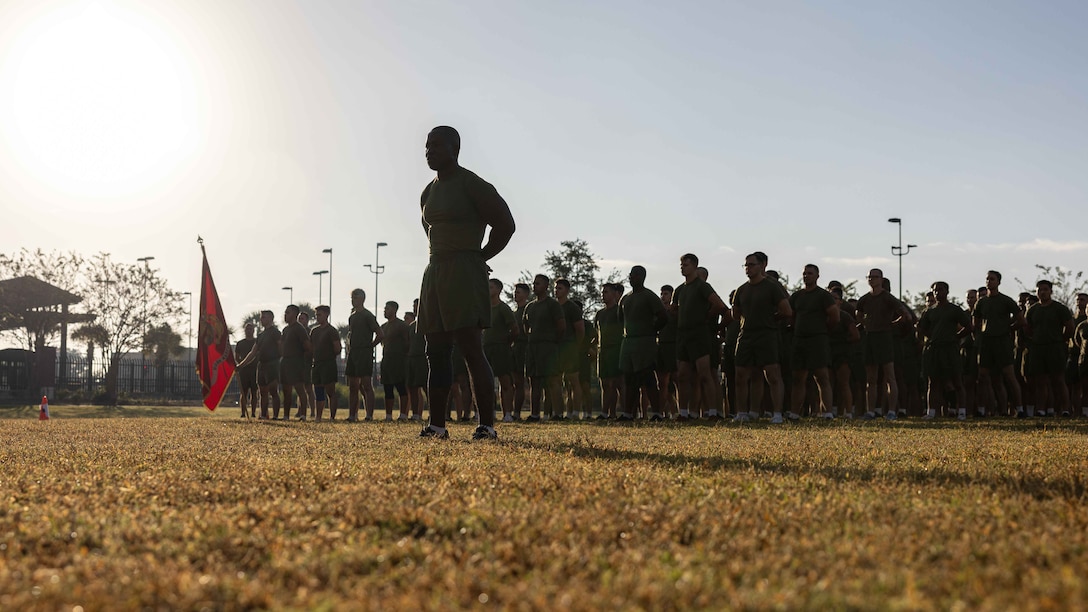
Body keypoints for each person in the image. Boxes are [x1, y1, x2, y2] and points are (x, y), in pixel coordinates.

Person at [417, 125, 516, 440]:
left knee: (471, 348)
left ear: (454, 149)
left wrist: (479, 256)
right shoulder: (428, 192)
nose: (429, 151)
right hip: (435, 272)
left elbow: (506, 224)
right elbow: (430, 232)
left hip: (464, 271)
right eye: (427, 146)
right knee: (436, 350)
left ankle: (486, 425)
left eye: (436, 146)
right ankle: (437, 426)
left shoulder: (473, 184)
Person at [732, 251, 791, 423]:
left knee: (772, 374)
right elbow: (736, 314)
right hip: (746, 335)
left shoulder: (772, 287)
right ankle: (743, 413)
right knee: (741, 374)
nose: (748, 268)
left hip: (767, 334)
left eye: (752, 264)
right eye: (746, 265)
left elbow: (786, 310)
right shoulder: (741, 290)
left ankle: (777, 413)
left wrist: (770, 319)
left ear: (762, 265)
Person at [673, 253, 727, 421]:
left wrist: (705, 316)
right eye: (681, 264)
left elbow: (719, 305)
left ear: (695, 266)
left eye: (686, 265)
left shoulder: (702, 286)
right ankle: (683, 412)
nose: (683, 267)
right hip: (683, 335)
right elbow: (674, 309)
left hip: (699, 334)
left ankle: (712, 412)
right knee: (682, 375)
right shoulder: (680, 289)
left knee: (704, 374)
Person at [855, 269, 912, 420]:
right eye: (869, 277)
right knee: (871, 378)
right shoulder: (865, 299)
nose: (872, 279)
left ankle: (892, 411)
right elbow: (858, 313)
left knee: (890, 376)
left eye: (875, 277)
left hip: (885, 338)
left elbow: (905, 314)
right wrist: (865, 323)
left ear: (881, 279)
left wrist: (892, 325)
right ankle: (871, 411)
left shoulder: (888, 297)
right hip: (870, 338)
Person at [788, 264, 838, 419]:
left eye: (810, 273)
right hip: (800, 340)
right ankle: (795, 413)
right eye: (804, 273)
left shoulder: (823, 295)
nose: (806, 276)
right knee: (798, 377)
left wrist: (821, 330)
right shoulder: (796, 296)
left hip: (818, 339)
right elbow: (791, 315)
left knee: (821, 376)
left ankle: (827, 412)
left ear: (817, 276)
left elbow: (834, 317)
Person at [973, 271, 1026, 417]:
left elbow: (1021, 320)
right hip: (986, 343)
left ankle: (1019, 409)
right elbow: (975, 323)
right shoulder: (981, 302)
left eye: (992, 279)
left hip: (1002, 342)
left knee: (1009, 375)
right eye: (987, 279)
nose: (989, 281)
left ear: (998, 282)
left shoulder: (1006, 301)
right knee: (983, 376)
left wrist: (1007, 328)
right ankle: (981, 410)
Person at [619, 266, 667, 421]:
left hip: (645, 341)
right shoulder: (625, 298)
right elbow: (621, 320)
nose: (631, 277)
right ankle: (627, 413)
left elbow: (663, 317)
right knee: (629, 378)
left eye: (635, 275)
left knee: (647, 377)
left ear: (642, 276)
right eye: (630, 275)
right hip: (628, 341)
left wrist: (651, 331)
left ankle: (657, 413)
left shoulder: (649, 296)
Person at [918, 282, 972, 420]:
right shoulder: (929, 311)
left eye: (940, 290)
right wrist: (932, 337)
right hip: (934, 349)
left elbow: (968, 326)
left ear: (947, 291)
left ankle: (961, 412)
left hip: (950, 349)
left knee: (956, 380)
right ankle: (931, 412)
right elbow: (921, 327)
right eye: (935, 291)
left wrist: (956, 337)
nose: (937, 293)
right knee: (933, 382)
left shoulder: (954, 310)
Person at [1023, 280, 1074, 418]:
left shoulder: (1059, 308)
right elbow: (1027, 328)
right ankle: (1041, 409)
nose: (1042, 292)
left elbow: (1070, 327)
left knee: (1058, 379)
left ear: (1051, 291)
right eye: (1039, 290)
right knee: (1040, 380)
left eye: (1045, 289)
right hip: (1038, 348)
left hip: (1055, 347)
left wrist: (1061, 339)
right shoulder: (1032, 310)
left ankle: (1065, 409)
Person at [523, 274, 566, 421]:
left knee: (553, 380)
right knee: (534, 381)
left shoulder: (552, 304)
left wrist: (553, 342)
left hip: (548, 347)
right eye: (534, 283)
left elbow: (561, 326)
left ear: (546, 286)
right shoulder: (530, 306)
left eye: (538, 284)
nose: (535, 286)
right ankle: (535, 414)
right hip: (533, 347)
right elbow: (525, 326)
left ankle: (558, 414)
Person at [484, 279, 519, 422]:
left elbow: (515, 329)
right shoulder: (484, 307)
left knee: (505, 381)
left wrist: (506, 343)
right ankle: (488, 412)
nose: (488, 289)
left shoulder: (503, 308)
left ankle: (507, 413)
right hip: (486, 348)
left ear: (498, 290)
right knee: (486, 382)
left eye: (491, 287)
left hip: (500, 348)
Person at [236, 310, 281, 420]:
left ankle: (275, 415)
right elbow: (253, 352)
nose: (261, 319)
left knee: (274, 391)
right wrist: (241, 365)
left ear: (271, 318)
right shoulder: (260, 335)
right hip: (262, 365)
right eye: (261, 317)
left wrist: (280, 361)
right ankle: (263, 415)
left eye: (264, 317)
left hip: (272, 364)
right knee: (262, 392)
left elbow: (281, 347)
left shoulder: (275, 332)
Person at [346, 289, 383, 422]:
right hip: (353, 353)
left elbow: (380, 334)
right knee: (353, 386)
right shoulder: (352, 316)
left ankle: (369, 415)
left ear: (362, 298)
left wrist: (370, 347)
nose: (353, 300)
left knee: (367, 384)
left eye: (356, 297)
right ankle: (352, 415)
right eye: (352, 297)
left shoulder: (368, 316)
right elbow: (350, 335)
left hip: (364, 353)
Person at [554, 279, 586, 420]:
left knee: (573, 381)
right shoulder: (553, 306)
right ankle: (558, 413)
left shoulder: (572, 307)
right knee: (556, 381)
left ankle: (575, 413)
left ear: (567, 290)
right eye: (556, 288)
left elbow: (580, 330)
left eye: (560, 288)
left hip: (570, 348)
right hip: (555, 348)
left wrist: (575, 346)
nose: (556, 291)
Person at [595, 282, 624, 419]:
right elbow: (597, 333)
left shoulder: (620, 311)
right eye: (603, 292)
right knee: (604, 383)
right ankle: (605, 412)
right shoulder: (600, 314)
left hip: (616, 349)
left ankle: (615, 412)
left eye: (606, 292)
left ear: (614, 294)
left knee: (615, 383)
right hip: (603, 351)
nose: (603, 294)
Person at [279, 305, 312, 421]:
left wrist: (301, 359)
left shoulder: (299, 329)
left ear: (294, 314)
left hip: (296, 362)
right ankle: (286, 415)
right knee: (286, 390)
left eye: (288, 312)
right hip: (285, 362)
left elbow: (307, 346)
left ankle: (303, 415)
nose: (285, 315)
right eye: (285, 312)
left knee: (300, 389)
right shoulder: (285, 329)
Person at [309, 305, 341, 422]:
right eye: (316, 315)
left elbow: (337, 348)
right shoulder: (314, 331)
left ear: (327, 315)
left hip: (328, 364)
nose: (317, 317)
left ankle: (332, 417)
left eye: (320, 314)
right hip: (317, 364)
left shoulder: (331, 331)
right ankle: (318, 417)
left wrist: (328, 355)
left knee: (330, 391)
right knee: (318, 391)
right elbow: (311, 348)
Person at [380, 301, 411, 421]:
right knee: (387, 388)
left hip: (399, 361)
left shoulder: (402, 326)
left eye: (387, 308)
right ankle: (388, 415)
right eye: (384, 308)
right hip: (386, 361)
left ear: (394, 310)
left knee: (401, 387)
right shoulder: (383, 327)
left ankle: (403, 414)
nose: (385, 311)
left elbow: (407, 342)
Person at [656, 284, 679, 417]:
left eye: (666, 294)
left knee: (677, 379)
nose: (663, 296)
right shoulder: (659, 312)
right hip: (661, 347)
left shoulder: (675, 312)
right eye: (662, 294)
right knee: (662, 382)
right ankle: (660, 412)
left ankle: (681, 411)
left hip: (673, 346)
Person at [511, 282, 531, 419]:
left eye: (518, 292)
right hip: (515, 349)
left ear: (526, 294)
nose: (515, 294)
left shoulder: (528, 310)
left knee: (529, 381)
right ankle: (515, 412)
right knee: (516, 382)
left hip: (527, 347)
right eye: (515, 292)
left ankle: (534, 411)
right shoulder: (514, 313)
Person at [405, 306, 428, 421]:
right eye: (414, 306)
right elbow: (408, 342)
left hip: (423, 358)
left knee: (426, 386)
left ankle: (433, 413)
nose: (416, 308)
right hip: (412, 358)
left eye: (418, 305)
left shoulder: (429, 322)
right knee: (412, 387)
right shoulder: (412, 326)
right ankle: (415, 415)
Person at [235, 323, 258, 418]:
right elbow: (236, 356)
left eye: (251, 329)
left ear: (253, 330)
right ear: (244, 330)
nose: (249, 330)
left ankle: (253, 413)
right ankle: (243, 413)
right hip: (243, 371)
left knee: (254, 392)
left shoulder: (257, 342)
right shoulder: (240, 343)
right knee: (243, 392)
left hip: (255, 370)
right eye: (247, 329)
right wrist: (241, 364)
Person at [297, 310, 317, 419]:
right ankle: (300, 409)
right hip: (297, 363)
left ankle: (312, 410)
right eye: (299, 319)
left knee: (309, 388)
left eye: (302, 319)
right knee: (299, 387)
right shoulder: (295, 331)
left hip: (307, 363)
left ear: (307, 320)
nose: (300, 321)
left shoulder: (310, 332)